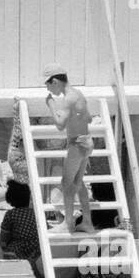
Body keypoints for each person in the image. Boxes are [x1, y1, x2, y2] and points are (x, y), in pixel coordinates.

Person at [43, 66, 95, 234]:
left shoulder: (68, 99)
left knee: (67, 183)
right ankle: (87, 222)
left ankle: (68, 223)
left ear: (55, 81)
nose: (48, 89)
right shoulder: (79, 94)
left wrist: (51, 105)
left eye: (48, 85)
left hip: (77, 144)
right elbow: (88, 117)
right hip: (87, 142)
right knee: (78, 184)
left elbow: (60, 125)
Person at [0, 178, 45, 278]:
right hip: (37, 248)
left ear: (10, 198)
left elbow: (4, 236)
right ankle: (36, 276)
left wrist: (3, 244)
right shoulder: (35, 213)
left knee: (6, 250)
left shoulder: (11, 214)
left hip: (18, 249)